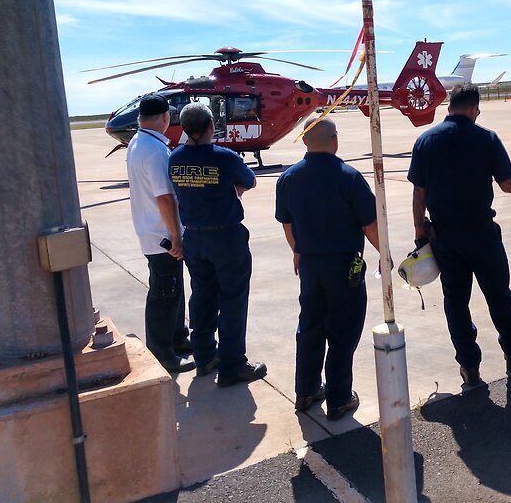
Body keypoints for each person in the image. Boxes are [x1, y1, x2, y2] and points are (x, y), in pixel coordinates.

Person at [409, 84, 511, 387]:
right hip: (482, 233)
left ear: (450, 106)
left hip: (445, 236)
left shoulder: (425, 140)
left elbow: (418, 193)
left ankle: (469, 368)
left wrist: (420, 231)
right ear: (474, 109)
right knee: (499, 295)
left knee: (456, 301)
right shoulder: (486, 138)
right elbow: (508, 185)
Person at [275, 117, 379, 421]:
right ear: (335, 140)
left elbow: (287, 222)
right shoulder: (348, 176)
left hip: (309, 265)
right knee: (343, 330)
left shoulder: (289, 178)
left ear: (304, 142)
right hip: (343, 266)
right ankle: (339, 397)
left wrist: (297, 250)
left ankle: (306, 391)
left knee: (309, 327)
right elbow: (370, 223)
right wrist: (384, 256)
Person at [169, 103, 266, 387]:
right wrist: (233, 189)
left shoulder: (175, 158)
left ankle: (204, 356)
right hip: (225, 237)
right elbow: (249, 180)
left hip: (195, 238)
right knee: (233, 299)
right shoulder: (225, 157)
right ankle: (233, 363)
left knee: (201, 296)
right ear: (211, 126)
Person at [125, 94, 193, 373]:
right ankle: (162, 352)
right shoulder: (154, 150)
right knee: (164, 293)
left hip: (152, 229)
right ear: (165, 118)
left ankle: (177, 337)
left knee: (173, 288)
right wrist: (176, 235)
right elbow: (165, 197)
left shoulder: (139, 142)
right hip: (161, 234)